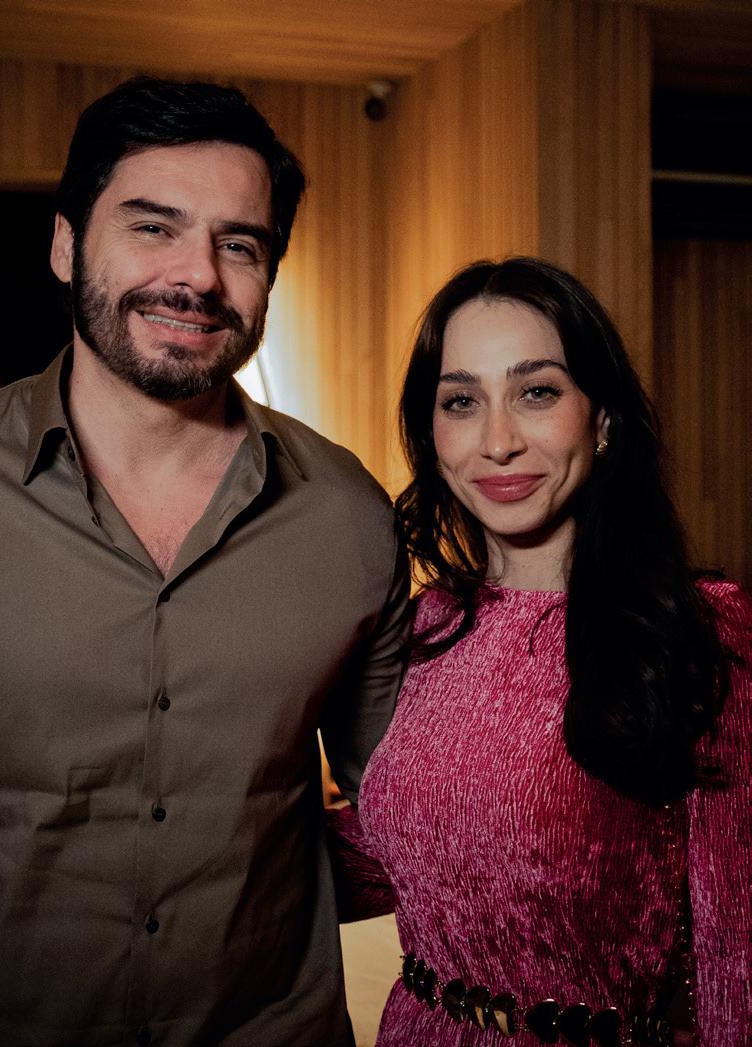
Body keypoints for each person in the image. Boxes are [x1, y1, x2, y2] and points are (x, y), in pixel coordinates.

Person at [0, 77, 411, 1046]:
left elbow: (412, 819)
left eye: (239, 244)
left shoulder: (348, 515)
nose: (198, 277)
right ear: (65, 244)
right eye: (152, 227)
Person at [329, 257, 751, 1046]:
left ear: (602, 418)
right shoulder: (424, 625)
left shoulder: (705, 628)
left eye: (537, 392)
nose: (498, 441)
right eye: (462, 401)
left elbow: (737, 955)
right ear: (431, 434)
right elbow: (412, 858)